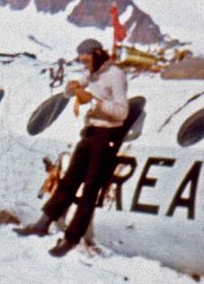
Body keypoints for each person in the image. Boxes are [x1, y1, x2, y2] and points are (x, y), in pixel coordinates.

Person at [15, 39, 129, 257]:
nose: (84, 65)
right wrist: (70, 90)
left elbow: (122, 112)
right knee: (68, 182)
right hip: (90, 133)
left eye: (86, 60)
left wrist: (95, 102)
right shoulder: (94, 73)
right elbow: (74, 89)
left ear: (97, 54)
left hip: (106, 137)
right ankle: (43, 222)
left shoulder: (115, 75)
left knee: (89, 191)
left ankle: (71, 238)